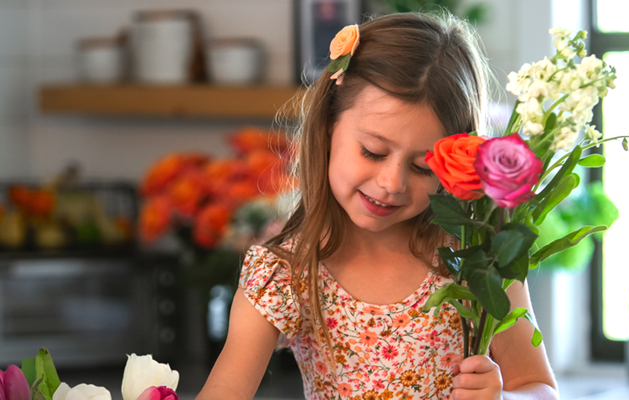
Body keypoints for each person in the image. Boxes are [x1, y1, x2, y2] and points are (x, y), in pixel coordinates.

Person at [196, 11, 558, 400]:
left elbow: (539, 389)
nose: (391, 184)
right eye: (372, 151)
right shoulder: (286, 273)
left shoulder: (479, 262)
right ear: (328, 128)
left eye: (422, 166)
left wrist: (503, 398)